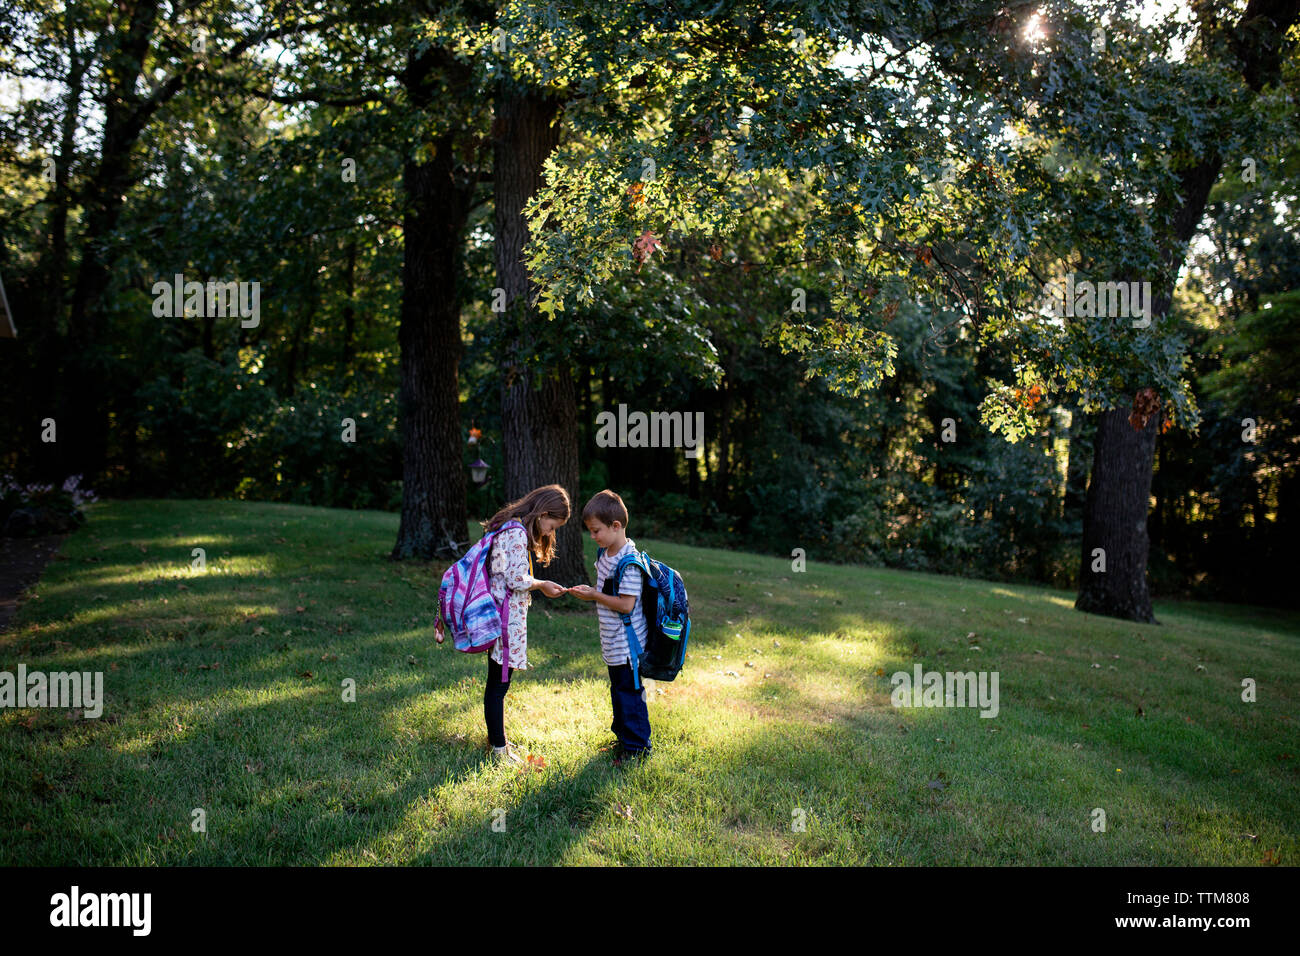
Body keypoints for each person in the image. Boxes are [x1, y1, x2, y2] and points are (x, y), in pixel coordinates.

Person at [482, 484, 569, 764]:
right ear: (542, 513)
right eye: (551, 525)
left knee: (497, 682)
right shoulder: (517, 533)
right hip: (506, 621)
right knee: (498, 686)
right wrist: (542, 584)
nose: (548, 533)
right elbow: (515, 579)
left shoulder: (508, 526)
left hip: (497, 614)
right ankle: (498, 748)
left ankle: (497, 740)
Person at [567, 489, 652, 763]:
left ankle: (637, 749)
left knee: (630, 696)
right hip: (613, 643)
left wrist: (593, 595)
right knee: (618, 693)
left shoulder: (628, 563)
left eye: (596, 531)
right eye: (590, 531)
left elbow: (626, 604)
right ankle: (623, 740)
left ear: (616, 526)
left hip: (628, 646)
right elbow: (606, 591)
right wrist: (592, 590)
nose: (593, 537)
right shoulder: (605, 554)